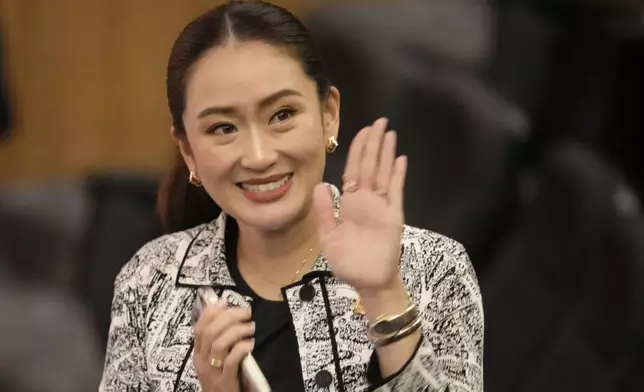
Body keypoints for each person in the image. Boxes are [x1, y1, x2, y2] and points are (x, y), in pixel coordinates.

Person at [99, 1, 483, 391]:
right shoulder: (147, 282)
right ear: (188, 151)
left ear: (328, 113)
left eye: (282, 115)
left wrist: (383, 295)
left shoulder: (434, 270)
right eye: (223, 128)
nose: (259, 156)